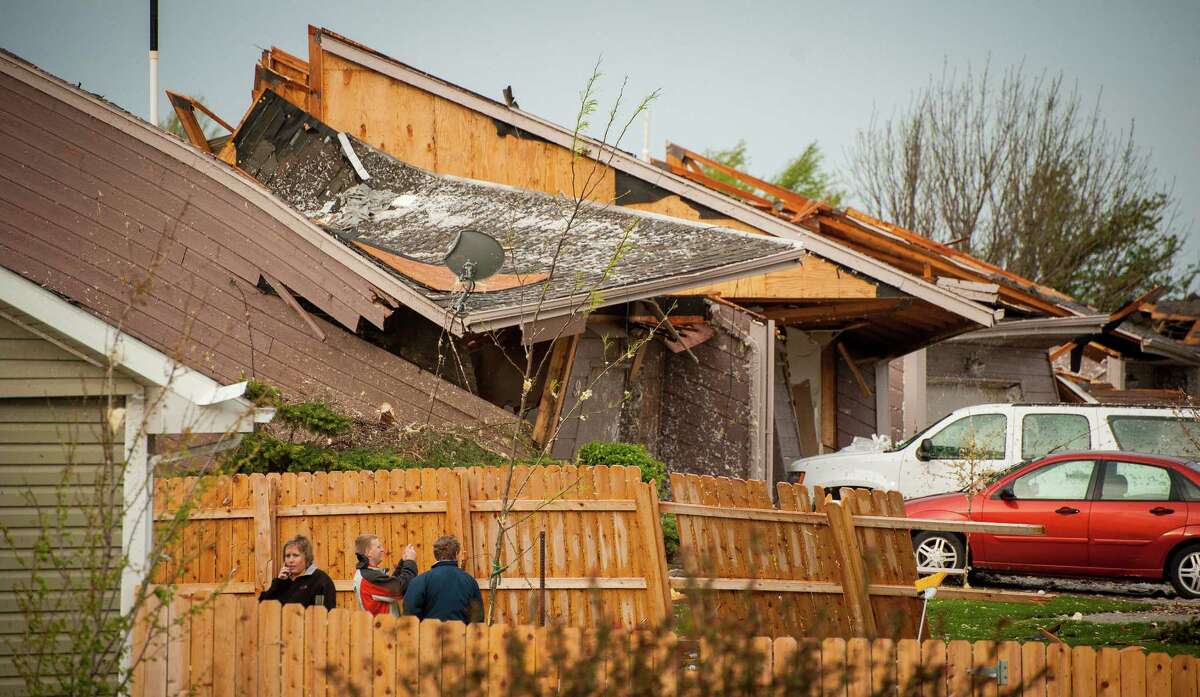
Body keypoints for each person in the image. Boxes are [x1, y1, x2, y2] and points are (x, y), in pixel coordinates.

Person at [403, 535, 483, 623]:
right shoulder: (470, 581)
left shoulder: (420, 581)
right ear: (456, 554)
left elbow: (410, 613)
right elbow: (477, 619)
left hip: (429, 634)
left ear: (435, 555)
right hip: (461, 635)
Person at [258, 535, 336, 610]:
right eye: (287, 556)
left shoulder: (320, 581)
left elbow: (321, 613)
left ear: (306, 557)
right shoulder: (283, 582)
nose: (291, 560)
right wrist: (278, 583)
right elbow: (262, 606)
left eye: (295, 555)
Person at [353, 533, 418, 616]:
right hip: (383, 627)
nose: (382, 549)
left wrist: (403, 561)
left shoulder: (368, 573)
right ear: (368, 552)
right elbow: (400, 588)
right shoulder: (369, 577)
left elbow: (392, 583)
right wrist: (410, 562)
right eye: (378, 547)